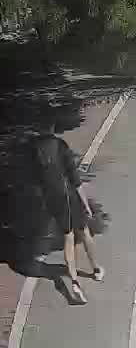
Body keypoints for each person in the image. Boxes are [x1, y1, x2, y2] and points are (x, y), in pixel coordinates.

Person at [30, 112, 102, 305]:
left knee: (68, 238)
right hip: (69, 196)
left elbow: (36, 180)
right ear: (52, 126)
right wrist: (85, 204)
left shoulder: (34, 149)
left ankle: (75, 282)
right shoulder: (60, 146)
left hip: (52, 200)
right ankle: (96, 270)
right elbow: (75, 179)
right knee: (84, 232)